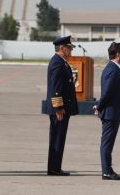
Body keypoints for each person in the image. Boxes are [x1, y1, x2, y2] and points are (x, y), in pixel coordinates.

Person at [94, 42, 120, 180]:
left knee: (108, 144)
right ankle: (106, 171)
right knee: (106, 144)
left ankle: (107, 169)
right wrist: (98, 107)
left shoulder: (113, 68)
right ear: (118, 54)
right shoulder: (112, 70)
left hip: (113, 113)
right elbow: (107, 93)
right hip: (110, 113)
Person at [46, 35, 78, 176]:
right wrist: (58, 107)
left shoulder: (61, 62)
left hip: (62, 108)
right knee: (57, 138)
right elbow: (56, 87)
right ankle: (54, 168)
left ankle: (56, 167)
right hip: (59, 110)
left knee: (60, 138)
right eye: (69, 48)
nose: (71, 51)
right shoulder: (57, 63)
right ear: (62, 48)